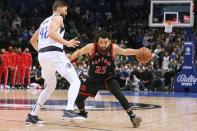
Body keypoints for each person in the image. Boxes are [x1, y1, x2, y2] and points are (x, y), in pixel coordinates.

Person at [70, 31, 145, 128]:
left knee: (118, 93)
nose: (103, 44)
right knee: (78, 100)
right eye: (101, 42)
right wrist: (71, 57)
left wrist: (138, 51)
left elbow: (125, 52)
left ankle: (132, 117)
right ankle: (83, 113)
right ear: (98, 41)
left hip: (108, 78)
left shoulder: (113, 48)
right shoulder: (91, 47)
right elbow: (79, 52)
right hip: (93, 79)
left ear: (109, 41)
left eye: (105, 42)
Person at [26, 0, 83, 124]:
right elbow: (51, 33)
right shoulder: (58, 18)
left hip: (43, 56)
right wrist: (66, 43)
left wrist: (45, 52)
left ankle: (32, 114)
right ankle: (69, 110)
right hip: (54, 54)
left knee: (51, 85)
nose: (66, 13)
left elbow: (32, 41)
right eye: (65, 10)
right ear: (58, 8)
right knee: (75, 81)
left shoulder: (44, 21)